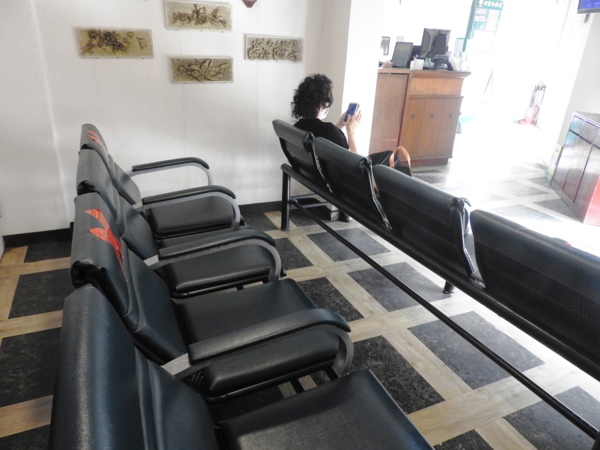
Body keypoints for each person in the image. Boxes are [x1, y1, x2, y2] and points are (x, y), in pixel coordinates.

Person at [291, 73, 412, 176]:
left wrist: (340, 124)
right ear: (320, 106)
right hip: (346, 182)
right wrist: (351, 132)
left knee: (388, 156)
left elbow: (325, 138)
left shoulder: (298, 127)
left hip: (317, 175)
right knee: (392, 158)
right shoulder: (329, 131)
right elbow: (357, 164)